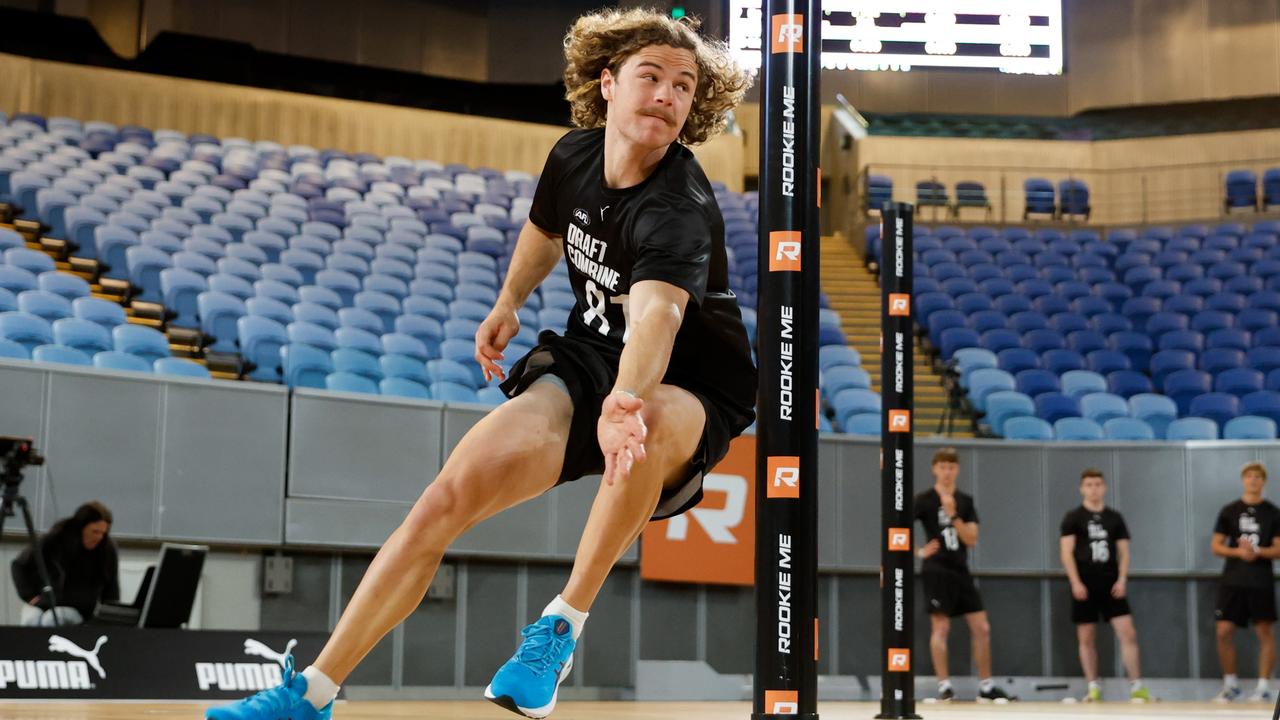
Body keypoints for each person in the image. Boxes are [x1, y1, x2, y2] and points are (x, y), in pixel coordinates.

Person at [207, 8, 754, 720]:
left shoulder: (677, 205)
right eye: (651, 77)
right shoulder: (573, 157)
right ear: (608, 84)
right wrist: (508, 301)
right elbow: (544, 231)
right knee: (444, 499)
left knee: (643, 417)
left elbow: (658, 316)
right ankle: (310, 692)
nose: (668, 96)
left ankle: (559, 629)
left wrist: (623, 404)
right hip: (588, 356)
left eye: (684, 86)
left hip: (689, 382)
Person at [914, 448, 1016, 703]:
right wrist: (919, 551)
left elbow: (971, 539)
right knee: (941, 627)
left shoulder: (965, 500)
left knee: (982, 627)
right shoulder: (924, 499)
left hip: (960, 569)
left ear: (957, 470)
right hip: (936, 569)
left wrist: (954, 515)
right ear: (934, 469)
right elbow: (895, 528)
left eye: (951, 467)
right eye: (942, 467)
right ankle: (944, 686)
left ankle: (986, 686)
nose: (947, 472)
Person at [1059, 468, 1149, 702]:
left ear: (1105, 487)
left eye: (1098, 484)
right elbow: (1066, 553)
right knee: (1086, 637)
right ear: (1082, 488)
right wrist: (1075, 582)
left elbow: (1124, 552)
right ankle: (1093, 687)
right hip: (1085, 583)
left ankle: (1137, 685)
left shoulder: (1114, 518)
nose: (1094, 489)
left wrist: (1122, 578)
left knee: (1127, 633)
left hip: (1111, 582)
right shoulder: (1073, 517)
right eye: (1089, 484)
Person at [1211, 461, 1280, 703]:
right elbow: (1216, 545)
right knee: (1223, 630)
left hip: (1260, 580)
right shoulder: (1229, 510)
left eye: (1257, 477)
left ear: (1264, 481)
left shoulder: (1273, 512)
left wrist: (1258, 551)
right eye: (1249, 476)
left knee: (1265, 631)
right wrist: (1238, 553)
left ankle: (1263, 687)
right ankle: (1230, 684)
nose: (1253, 480)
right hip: (1233, 579)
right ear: (1243, 480)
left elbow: (1279, 549)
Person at [10, 500, 118, 626]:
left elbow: (111, 588)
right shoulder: (55, 538)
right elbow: (19, 565)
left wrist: (111, 617)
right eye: (95, 531)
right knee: (31, 620)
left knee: (51, 620)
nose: (99, 537)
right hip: (44, 602)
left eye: (103, 533)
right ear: (82, 527)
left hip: (78, 609)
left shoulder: (106, 549)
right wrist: (29, 595)